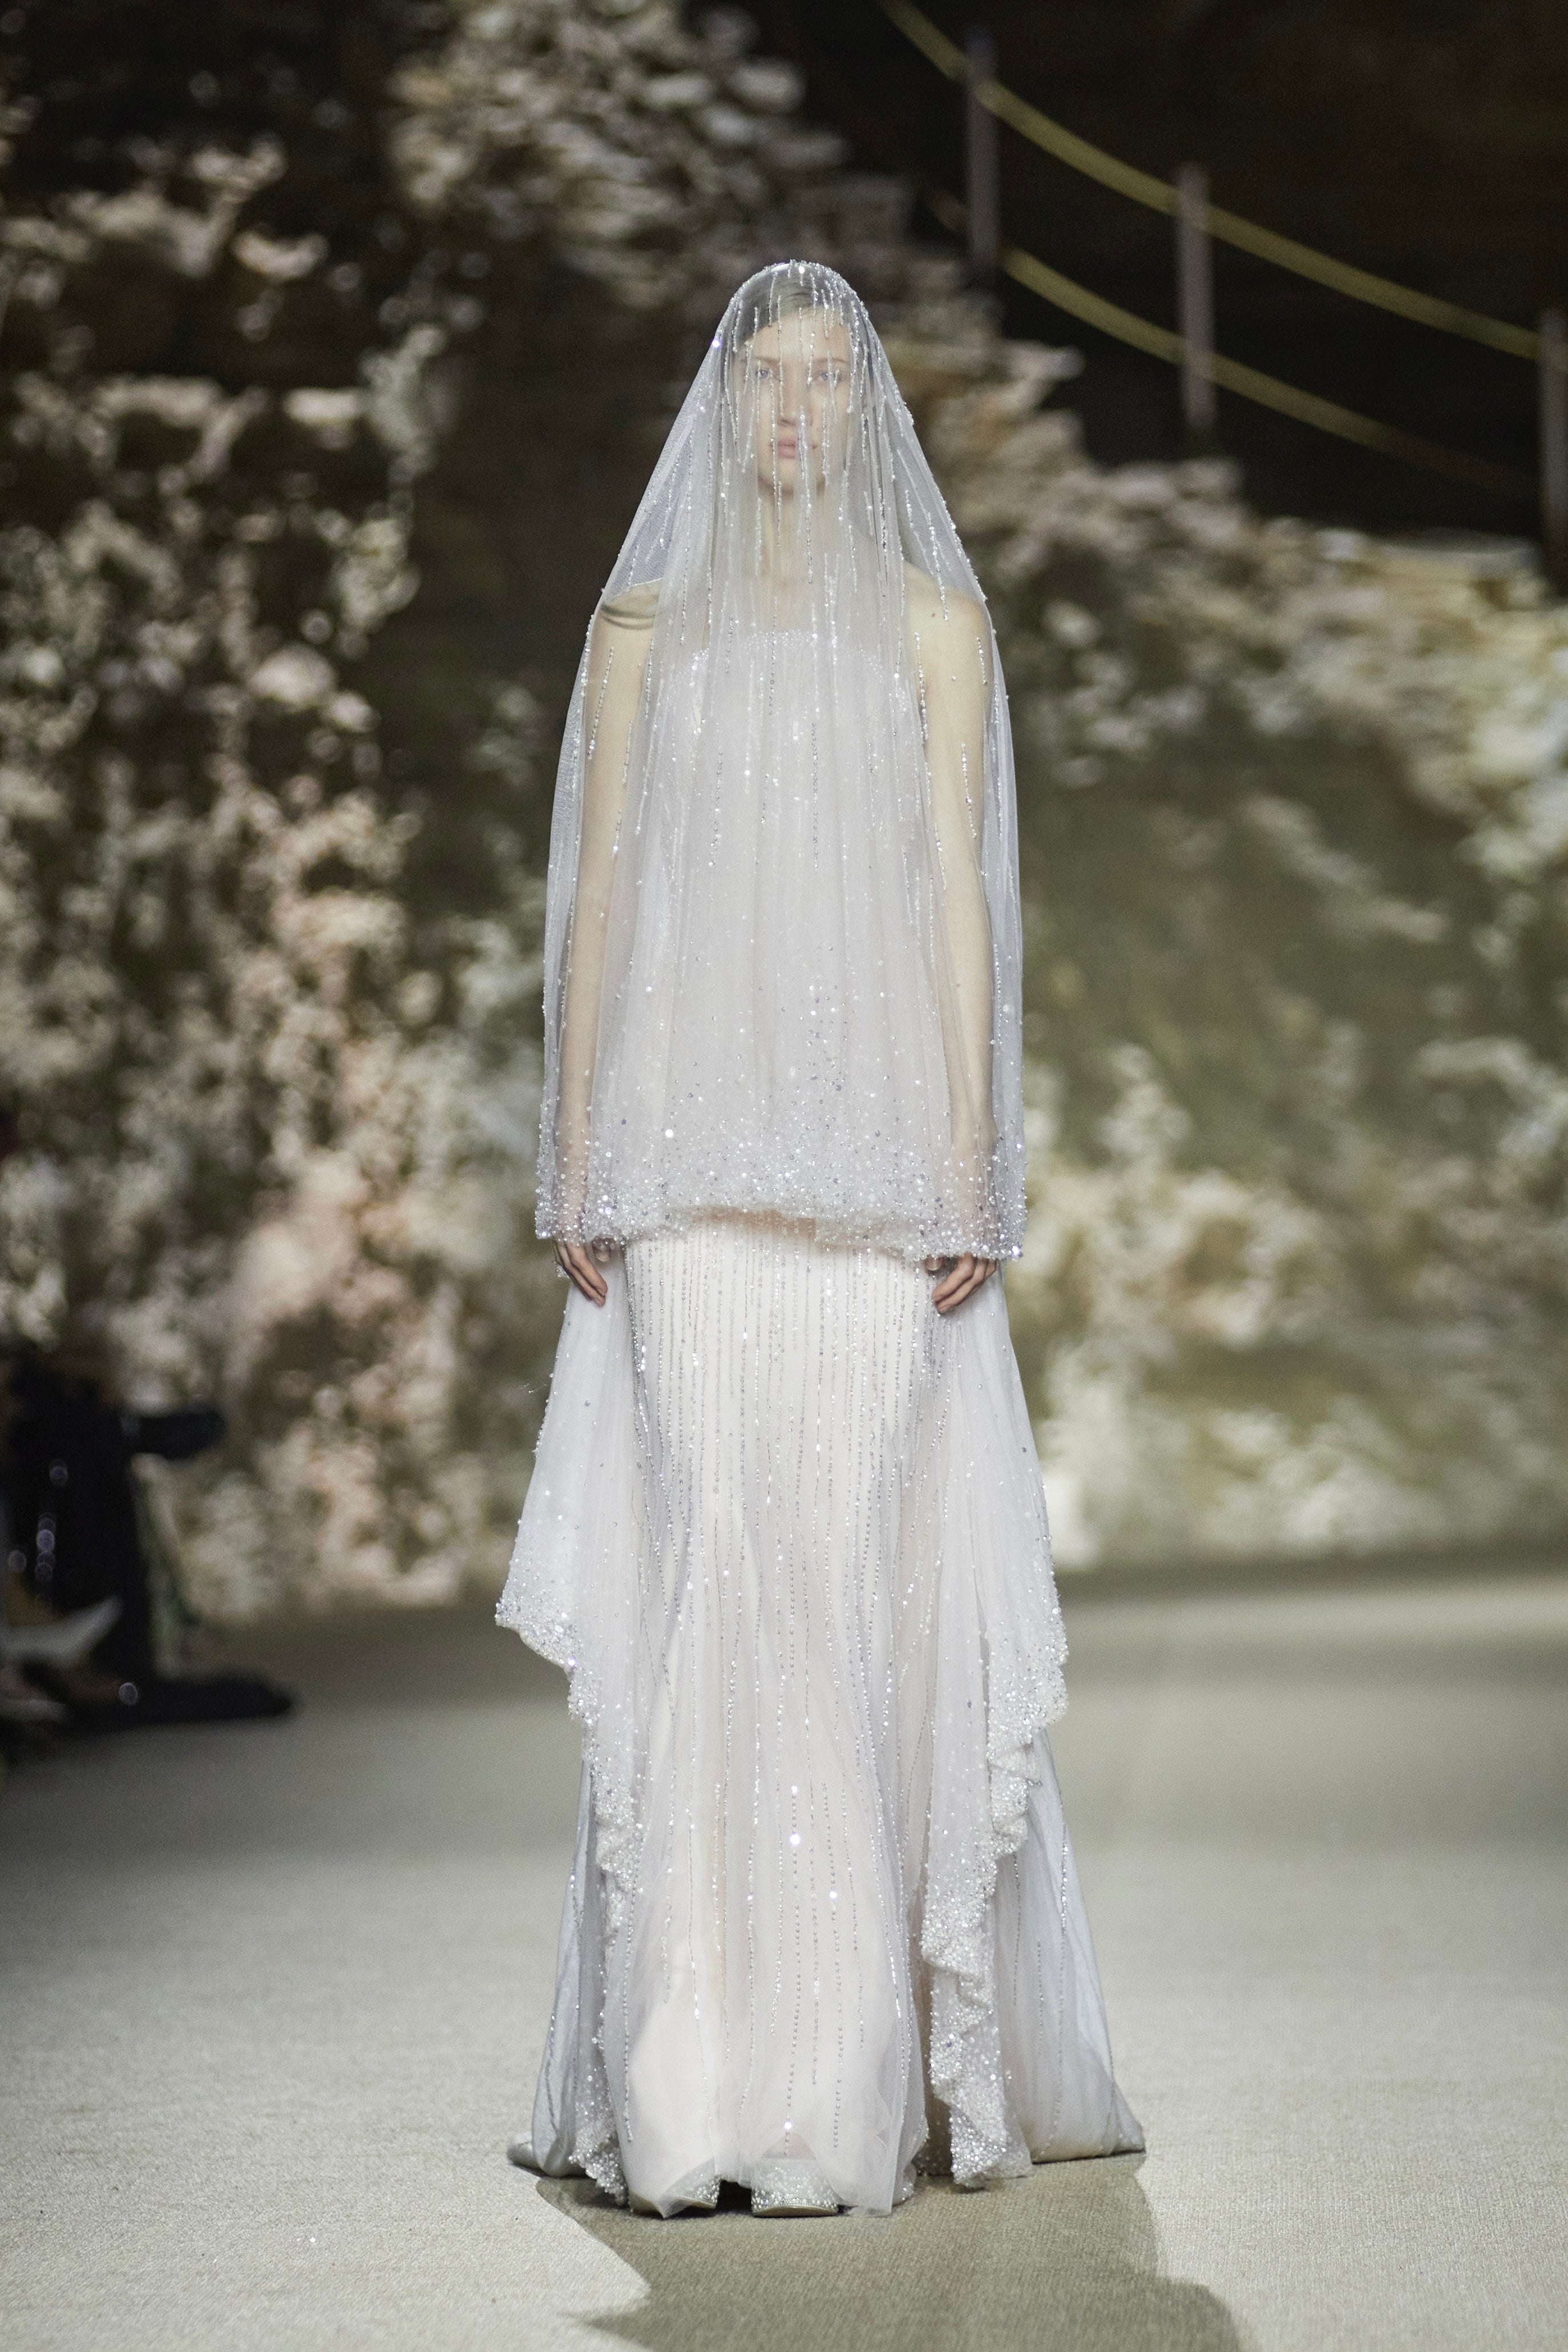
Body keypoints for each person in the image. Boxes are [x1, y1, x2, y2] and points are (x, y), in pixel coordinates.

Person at [500, 261, 1141, 2218]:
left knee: (850, 1595)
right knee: (719, 1588)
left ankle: (839, 2075)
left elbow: (959, 893)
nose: (792, 408)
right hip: (687, 1178)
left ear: (867, 407)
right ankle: (693, 2080)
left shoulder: (935, 626)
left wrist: (971, 1157)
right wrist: (574, 1149)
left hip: (869, 1187)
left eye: (826, 376)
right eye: (764, 375)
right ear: (725, 404)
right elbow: (601, 897)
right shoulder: (642, 629)